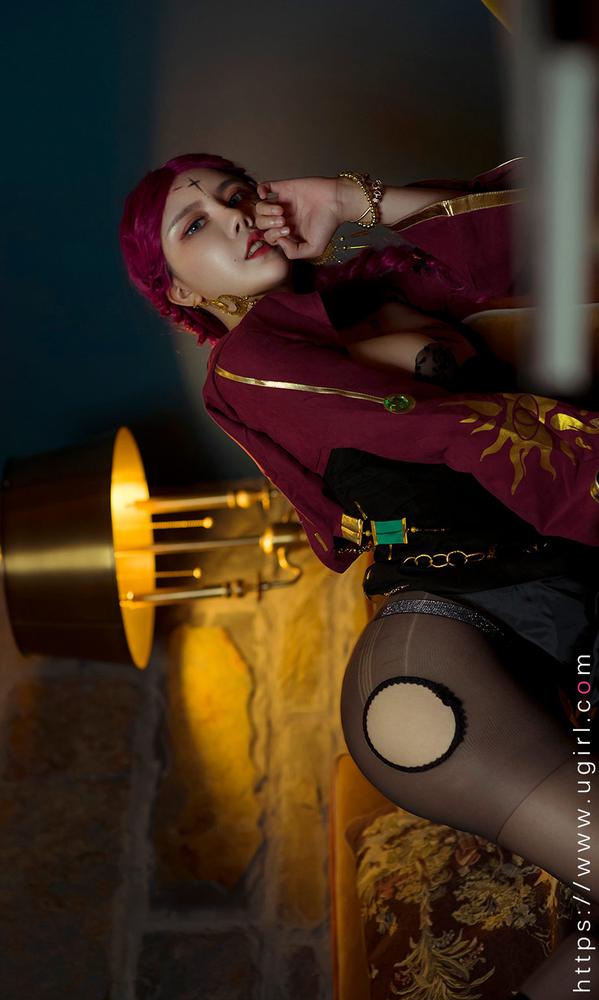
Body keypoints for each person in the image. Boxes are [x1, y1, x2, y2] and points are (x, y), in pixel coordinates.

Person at [120, 152, 599, 707]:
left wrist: (352, 201)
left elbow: (542, 243)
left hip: (560, 545)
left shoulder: (368, 290)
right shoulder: (243, 370)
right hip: (513, 594)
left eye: (236, 196)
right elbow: (452, 434)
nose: (236, 217)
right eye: (195, 225)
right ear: (181, 292)